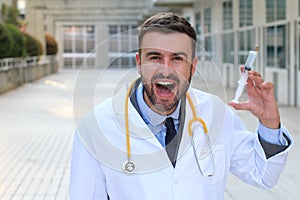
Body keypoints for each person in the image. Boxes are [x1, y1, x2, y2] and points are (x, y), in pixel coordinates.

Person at [70, 13, 293, 200]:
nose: (166, 70)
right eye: (155, 57)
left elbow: (263, 175)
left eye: (177, 58)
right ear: (139, 63)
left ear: (193, 67)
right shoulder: (95, 128)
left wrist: (270, 123)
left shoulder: (216, 114)